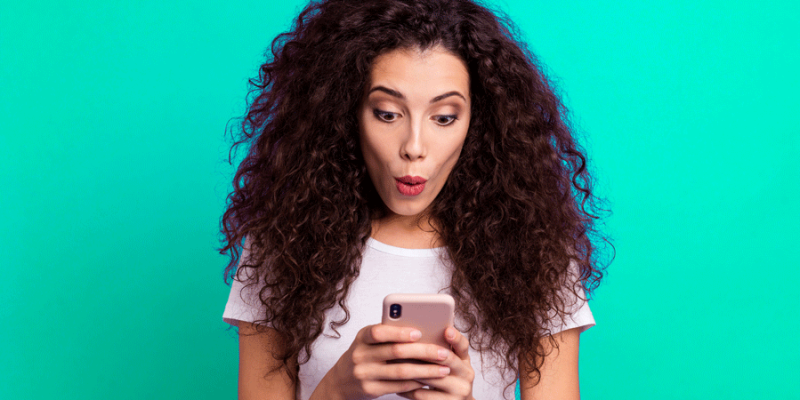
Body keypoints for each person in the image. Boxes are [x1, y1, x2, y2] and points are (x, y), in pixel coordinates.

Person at [220, 0, 609, 399]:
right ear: (345, 111)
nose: (414, 147)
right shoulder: (281, 243)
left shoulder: (536, 251)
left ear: (479, 122)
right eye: (388, 113)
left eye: (444, 117)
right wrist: (337, 390)